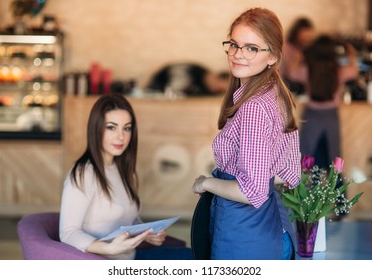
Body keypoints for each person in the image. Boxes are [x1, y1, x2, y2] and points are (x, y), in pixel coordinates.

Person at [191, 8, 301, 260]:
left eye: (251, 48)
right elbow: (290, 174)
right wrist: (262, 178)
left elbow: (251, 193)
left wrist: (205, 183)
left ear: (272, 56)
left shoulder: (253, 108)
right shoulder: (276, 93)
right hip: (275, 229)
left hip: (246, 235)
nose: (238, 55)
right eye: (234, 44)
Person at [59, 94, 192, 260]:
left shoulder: (121, 168)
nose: (120, 136)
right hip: (107, 263)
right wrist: (109, 249)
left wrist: (147, 233)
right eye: (111, 127)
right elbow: (68, 233)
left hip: (130, 256)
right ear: (96, 128)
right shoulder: (83, 172)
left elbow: (128, 218)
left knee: (195, 256)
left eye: (127, 128)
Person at [289, 35, 359, 169]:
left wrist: (301, 54)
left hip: (311, 115)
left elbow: (292, 72)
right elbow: (354, 71)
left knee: (305, 156)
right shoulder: (339, 71)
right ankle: (337, 188)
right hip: (331, 115)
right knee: (335, 156)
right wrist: (351, 52)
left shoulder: (308, 70)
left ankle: (303, 188)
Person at [147, 63, 229, 96]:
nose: (215, 89)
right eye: (218, 87)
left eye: (219, 90)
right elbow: (174, 87)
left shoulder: (206, 92)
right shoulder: (193, 71)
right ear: (215, 76)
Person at [281, 17, 315, 95]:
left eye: (309, 36)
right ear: (297, 32)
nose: (307, 38)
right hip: (287, 84)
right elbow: (290, 73)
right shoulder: (287, 47)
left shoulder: (306, 48)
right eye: (305, 35)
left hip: (301, 85)